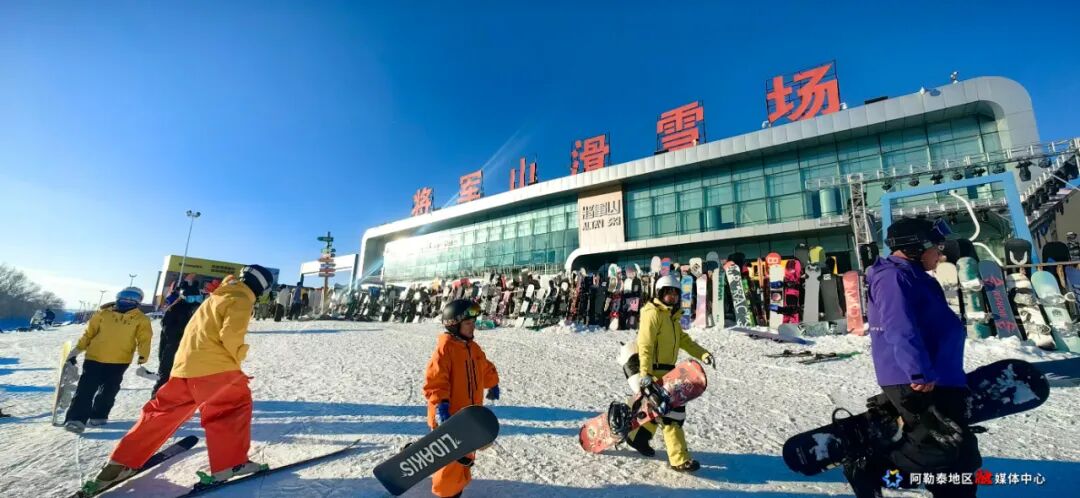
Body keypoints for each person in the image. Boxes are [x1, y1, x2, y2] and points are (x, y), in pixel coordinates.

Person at [79, 265, 275, 495]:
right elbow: (231, 334)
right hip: (216, 367)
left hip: (184, 368)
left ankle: (120, 463)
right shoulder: (240, 298)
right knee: (231, 408)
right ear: (261, 287)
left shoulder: (217, 296)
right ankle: (230, 464)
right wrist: (238, 356)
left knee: (160, 414)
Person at [843, 217, 980, 498]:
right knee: (937, 450)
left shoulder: (916, 276)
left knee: (960, 456)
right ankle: (869, 468)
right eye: (936, 247)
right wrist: (917, 371)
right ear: (915, 247)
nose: (941, 254)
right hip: (917, 378)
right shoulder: (892, 277)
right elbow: (899, 327)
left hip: (939, 376)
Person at [624, 275, 714, 472]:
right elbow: (645, 344)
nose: (672, 296)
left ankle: (638, 438)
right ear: (659, 293)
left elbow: (684, 340)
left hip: (670, 372)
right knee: (672, 416)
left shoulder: (672, 317)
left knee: (657, 412)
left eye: (675, 293)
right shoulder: (653, 313)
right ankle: (679, 459)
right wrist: (646, 374)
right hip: (654, 371)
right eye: (668, 293)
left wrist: (703, 354)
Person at [422, 299, 500, 498]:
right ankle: (448, 494)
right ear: (454, 325)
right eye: (467, 323)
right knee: (449, 465)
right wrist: (441, 406)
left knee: (465, 457)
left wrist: (492, 382)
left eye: (473, 322)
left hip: (470, 416)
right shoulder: (445, 349)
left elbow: (484, 367)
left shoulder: (473, 348)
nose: (472, 327)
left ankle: (457, 488)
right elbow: (436, 382)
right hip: (449, 416)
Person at [64, 287, 152, 433]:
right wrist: (77, 350)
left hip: (120, 360)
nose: (127, 300)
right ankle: (76, 419)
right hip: (94, 357)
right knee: (86, 388)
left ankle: (99, 415)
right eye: (125, 296)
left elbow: (144, 339)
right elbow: (89, 334)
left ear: (138, 301)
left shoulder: (141, 319)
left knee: (109, 390)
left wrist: (143, 357)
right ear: (118, 297)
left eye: (133, 298)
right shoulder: (103, 314)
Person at [151, 285, 202, 398]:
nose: (195, 302)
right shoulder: (175, 308)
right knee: (166, 377)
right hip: (173, 349)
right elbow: (167, 328)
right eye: (191, 299)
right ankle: (156, 401)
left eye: (198, 298)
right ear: (183, 298)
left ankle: (178, 402)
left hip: (190, 351)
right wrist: (184, 332)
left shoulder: (201, 311)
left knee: (185, 380)